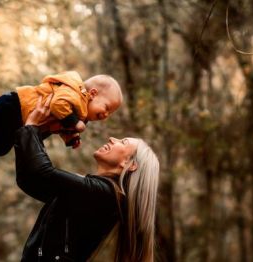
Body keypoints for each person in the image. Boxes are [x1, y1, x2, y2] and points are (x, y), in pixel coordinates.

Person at [14, 96, 160, 261]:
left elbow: (42, 172)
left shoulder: (104, 194)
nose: (112, 139)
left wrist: (32, 128)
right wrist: (30, 131)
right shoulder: (98, 192)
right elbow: (29, 180)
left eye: (123, 142)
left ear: (130, 164)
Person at [0, 71, 122, 165]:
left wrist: (70, 137)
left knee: (1, 147)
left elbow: (59, 125)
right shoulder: (74, 93)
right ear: (92, 93)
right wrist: (74, 123)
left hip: (21, 123)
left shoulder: (80, 114)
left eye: (110, 114)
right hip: (16, 106)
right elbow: (58, 105)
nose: (105, 115)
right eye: (106, 108)